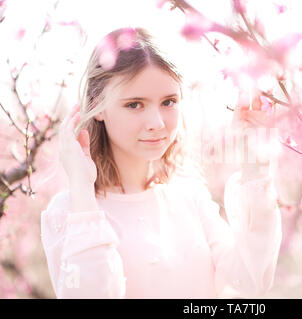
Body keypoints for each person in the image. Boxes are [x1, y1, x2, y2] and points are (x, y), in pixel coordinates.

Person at [40, 27, 282, 299]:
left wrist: (255, 167)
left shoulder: (189, 197)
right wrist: (82, 194)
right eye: (134, 105)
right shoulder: (70, 212)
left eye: (168, 102)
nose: (157, 123)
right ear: (97, 105)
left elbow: (247, 283)